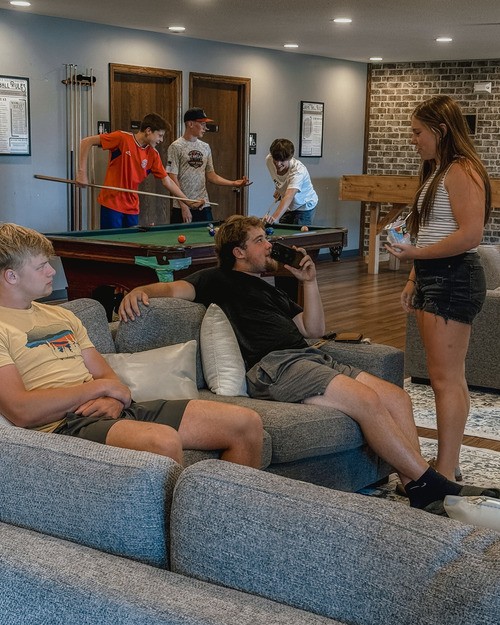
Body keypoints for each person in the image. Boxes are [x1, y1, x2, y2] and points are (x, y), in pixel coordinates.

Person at [119, 214, 499, 516]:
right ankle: (432, 487)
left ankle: (413, 484)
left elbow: (313, 329)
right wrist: (139, 289)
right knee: (366, 400)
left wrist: (310, 281)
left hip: (309, 357)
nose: (269, 245)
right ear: (238, 252)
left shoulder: (269, 287)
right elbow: (172, 289)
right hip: (276, 367)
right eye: (260, 240)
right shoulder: (215, 279)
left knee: (397, 398)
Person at [0, 222, 263, 469]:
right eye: (41, 267)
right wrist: (100, 389)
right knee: (163, 441)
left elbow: (107, 377)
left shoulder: (61, 315)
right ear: (11, 276)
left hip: (106, 410)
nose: (52, 272)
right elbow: (22, 410)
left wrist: (113, 397)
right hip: (62, 425)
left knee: (245, 424)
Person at [386, 95, 492, 483]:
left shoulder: (461, 170)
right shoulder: (437, 171)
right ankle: (451, 461)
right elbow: (431, 230)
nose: (413, 140)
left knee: (445, 379)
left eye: (418, 132)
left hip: (453, 277)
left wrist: (416, 255)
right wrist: (414, 276)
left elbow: (470, 235)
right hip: (436, 275)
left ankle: (445, 470)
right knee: (448, 377)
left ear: (441, 130)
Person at [77, 113, 203, 229]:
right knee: (112, 244)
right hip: (112, 204)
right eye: (160, 135)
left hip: (132, 208)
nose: (161, 140)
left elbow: (167, 181)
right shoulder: (121, 138)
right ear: (148, 131)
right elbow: (86, 142)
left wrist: (188, 202)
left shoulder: (153, 154)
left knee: (131, 244)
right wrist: (82, 172)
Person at [166, 107, 250, 224]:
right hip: (182, 207)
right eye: (202, 124)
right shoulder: (175, 146)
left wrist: (234, 183)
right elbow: (172, 177)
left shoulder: (205, 147)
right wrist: (184, 206)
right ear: (190, 124)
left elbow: (211, 176)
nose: (205, 128)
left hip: (204, 204)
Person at [264, 139, 318, 226]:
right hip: (289, 206)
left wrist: (273, 219)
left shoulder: (298, 170)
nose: (278, 164)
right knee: (282, 231)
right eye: (276, 159)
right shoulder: (269, 160)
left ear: (290, 158)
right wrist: (280, 190)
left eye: (282, 160)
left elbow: (289, 196)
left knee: (298, 234)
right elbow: (283, 181)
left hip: (304, 206)